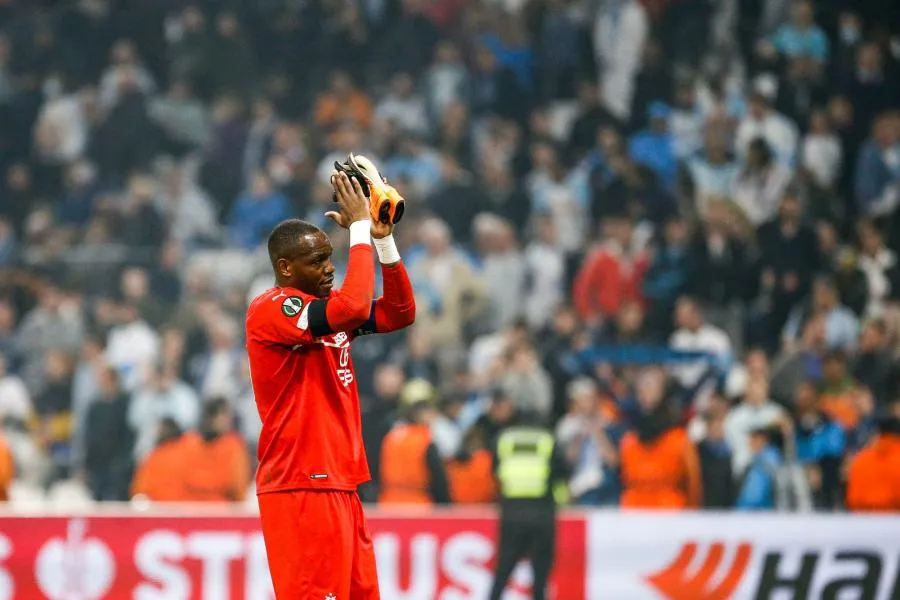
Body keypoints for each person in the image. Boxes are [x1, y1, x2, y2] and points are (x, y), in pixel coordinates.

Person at [245, 170, 416, 599]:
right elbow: (355, 305)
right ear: (285, 267)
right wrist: (358, 226)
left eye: (329, 258)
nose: (328, 269)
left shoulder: (329, 311)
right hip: (301, 481)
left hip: (339, 483)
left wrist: (381, 239)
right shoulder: (272, 308)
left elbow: (399, 312)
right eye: (316, 261)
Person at [489, 410, 569, 600]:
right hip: (541, 512)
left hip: (511, 512)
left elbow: (494, 469)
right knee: (540, 576)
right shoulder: (547, 439)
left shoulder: (505, 439)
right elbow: (561, 473)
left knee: (503, 572)